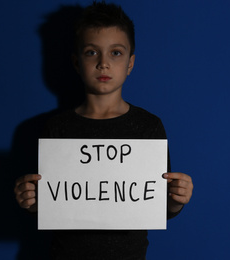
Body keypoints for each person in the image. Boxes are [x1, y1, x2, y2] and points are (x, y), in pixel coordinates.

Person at [14, 1, 193, 259]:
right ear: (76, 62)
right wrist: (30, 201)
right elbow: (51, 204)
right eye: (91, 52)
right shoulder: (57, 128)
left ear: (130, 63)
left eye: (116, 53)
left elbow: (158, 205)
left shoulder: (148, 126)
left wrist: (177, 199)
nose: (103, 64)